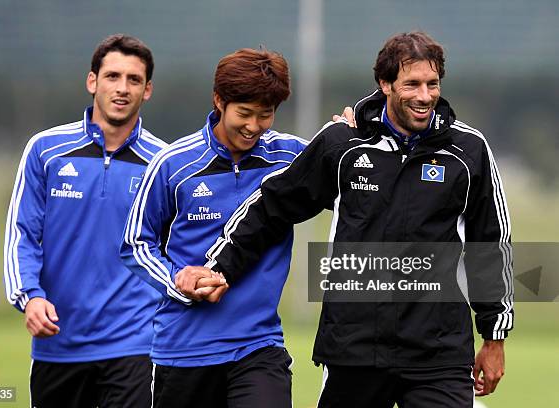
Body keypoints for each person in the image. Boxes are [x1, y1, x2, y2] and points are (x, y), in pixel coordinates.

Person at [202, 31, 513, 407]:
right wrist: (220, 269)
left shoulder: (468, 150)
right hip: (354, 349)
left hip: (438, 353)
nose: (425, 96)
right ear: (385, 84)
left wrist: (494, 336)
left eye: (432, 84)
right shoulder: (343, 145)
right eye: (411, 84)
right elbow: (273, 206)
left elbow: (490, 243)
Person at [120, 48, 308, 407]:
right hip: (183, 351)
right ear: (219, 100)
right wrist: (177, 281)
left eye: (265, 114)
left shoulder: (290, 158)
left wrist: (351, 132)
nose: (254, 126)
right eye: (244, 113)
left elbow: (348, 170)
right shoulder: (172, 164)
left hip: (258, 345)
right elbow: (135, 244)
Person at [3, 34, 167, 407]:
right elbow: (22, 234)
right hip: (59, 342)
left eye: (133, 80)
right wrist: (29, 297)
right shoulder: (45, 150)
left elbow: (173, 250)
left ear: (148, 91)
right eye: (112, 76)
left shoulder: (164, 162)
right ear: (92, 81)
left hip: (137, 344)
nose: (122, 88)